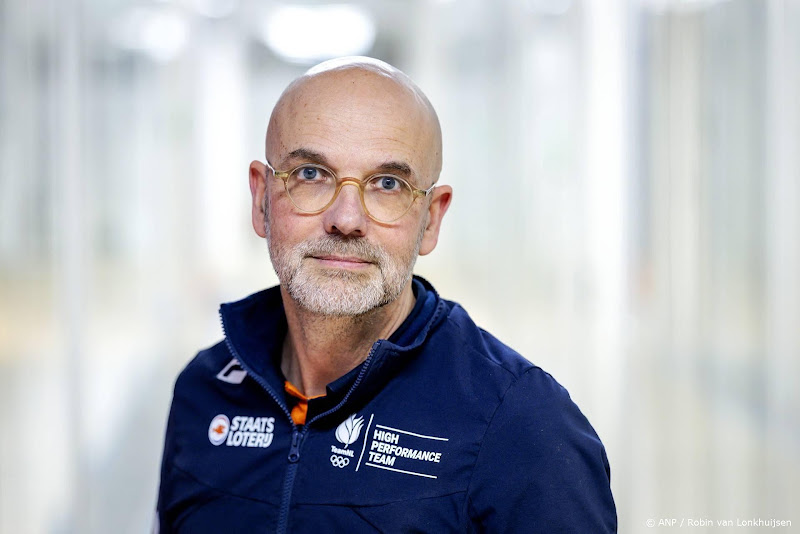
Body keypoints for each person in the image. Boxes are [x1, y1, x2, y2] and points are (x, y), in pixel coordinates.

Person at [156, 56, 616, 533]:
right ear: (260, 200)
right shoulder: (203, 392)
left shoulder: (522, 426)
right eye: (311, 174)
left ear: (431, 219)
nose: (346, 219)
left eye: (388, 184)